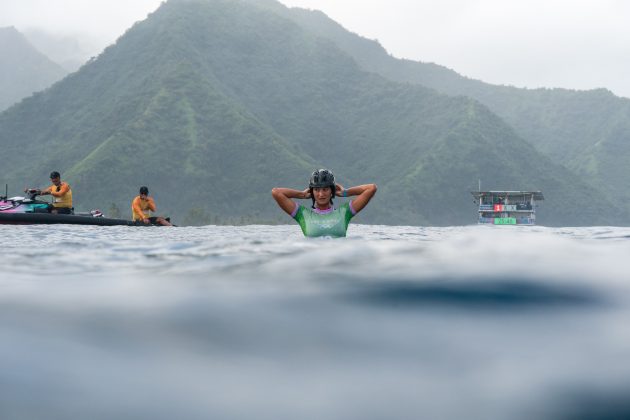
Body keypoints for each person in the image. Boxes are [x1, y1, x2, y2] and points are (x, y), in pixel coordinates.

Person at [271, 169, 377, 237]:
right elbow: (276, 192)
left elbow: (371, 188)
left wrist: (346, 192)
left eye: (325, 189)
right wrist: (302, 195)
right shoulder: (302, 214)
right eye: (317, 190)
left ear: (332, 191)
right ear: (311, 191)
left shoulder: (345, 212)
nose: (321, 194)